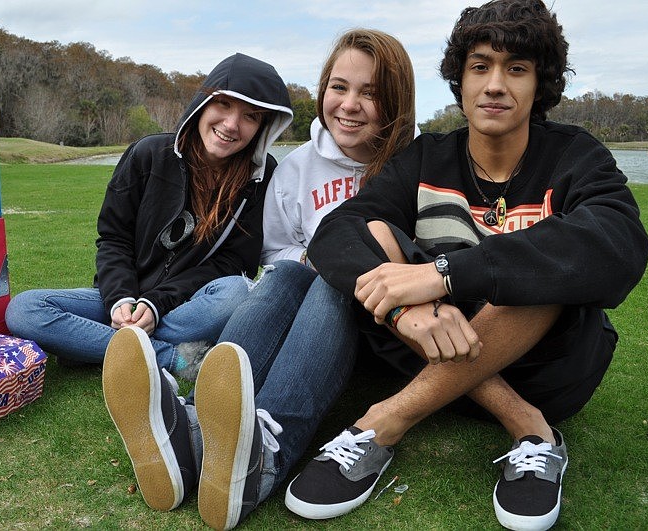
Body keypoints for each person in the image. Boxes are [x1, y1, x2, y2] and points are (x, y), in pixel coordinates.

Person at [286, 2, 648, 530]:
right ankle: (525, 426)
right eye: (480, 67)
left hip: (547, 372)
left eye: (516, 69)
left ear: (539, 84)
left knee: (549, 262)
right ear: (459, 79)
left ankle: (386, 421)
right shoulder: (427, 157)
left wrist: (444, 275)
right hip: (429, 346)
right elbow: (338, 232)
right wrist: (405, 314)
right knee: (376, 232)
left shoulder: (576, 156)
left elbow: (618, 245)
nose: (496, 85)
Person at [101, 29, 417, 530]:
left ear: (396, 101)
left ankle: (265, 447)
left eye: (371, 93)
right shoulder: (297, 168)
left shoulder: (412, 167)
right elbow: (273, 252)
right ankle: (195, 426)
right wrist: (312, 260)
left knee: (333, 279)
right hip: (310, 315)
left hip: (383, 326)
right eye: (339, 87)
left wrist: (341, 265)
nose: (350, 105)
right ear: (322, 91)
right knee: (289, 274)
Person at [5, 53, 293, 379]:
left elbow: (236, 263)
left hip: (185, 307)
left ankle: (89, 346)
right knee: (25, 309)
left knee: (237, 292)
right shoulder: (148, 154)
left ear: (263, 128)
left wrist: (157, 305)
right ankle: (173, 359)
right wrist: (121, 301)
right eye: (224, 105)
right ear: (203, 102)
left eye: (250, 116)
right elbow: (114, 238)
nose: (231, 124)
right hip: (120, 299)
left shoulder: (261, 175)